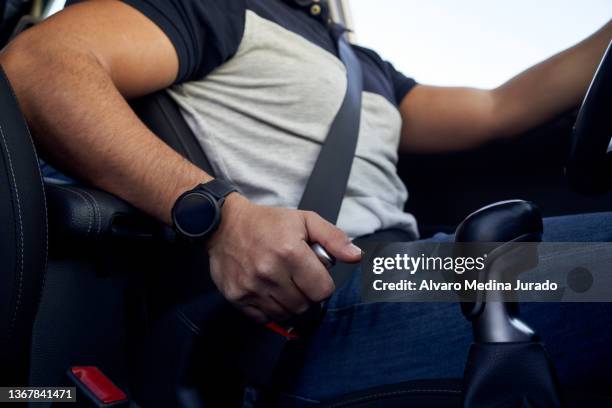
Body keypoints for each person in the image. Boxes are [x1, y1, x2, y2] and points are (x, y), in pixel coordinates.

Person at [1, 0, 611, 401]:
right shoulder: (214, 9)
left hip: (411, 269)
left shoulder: (365, 67)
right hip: (317, 302)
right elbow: (39, 65)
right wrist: (218, 214)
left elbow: (498, 109)